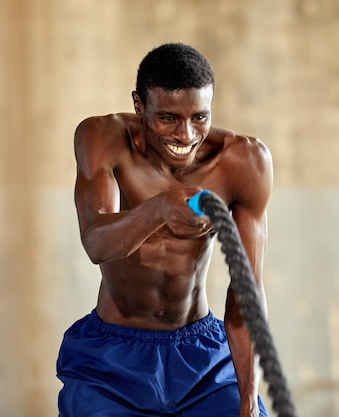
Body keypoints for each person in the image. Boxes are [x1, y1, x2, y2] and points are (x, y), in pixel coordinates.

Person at [56, 42, 273, 417]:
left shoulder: (243, 162)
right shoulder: (103, 138)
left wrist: (248, 398)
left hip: (201, 356)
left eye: (199, 117)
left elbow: (246, 299)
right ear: (140, 105)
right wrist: (159, 209)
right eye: (168, 118)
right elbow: (97, 242)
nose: (186, 135)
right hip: (112, 358)